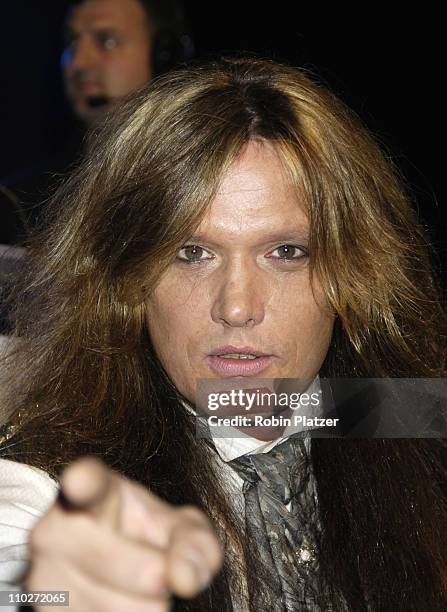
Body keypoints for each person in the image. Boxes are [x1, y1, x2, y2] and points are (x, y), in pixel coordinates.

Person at [0, 58, 446, 611]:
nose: (236, 306)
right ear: (127, 279)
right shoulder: (47, 489)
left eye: (286, 253)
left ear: (352, 272)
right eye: (192, 254)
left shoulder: (399, 419)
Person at [0, 0, 193, 245]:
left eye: (106, 41)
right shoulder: (18, 204)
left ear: (164, 55)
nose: (78, 63)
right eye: (72, 42)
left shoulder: (206, 181)